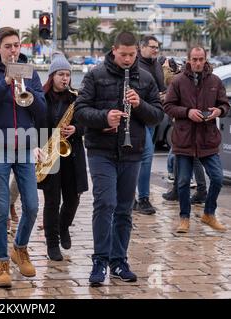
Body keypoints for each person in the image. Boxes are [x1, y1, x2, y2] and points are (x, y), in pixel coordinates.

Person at [74, 32, 163, 287]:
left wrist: (139, 105)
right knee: (105, 203)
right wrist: (104, 117)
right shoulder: (95, 74)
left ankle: (119, 260)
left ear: (136, 51)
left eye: (131, 55)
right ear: (114, 50)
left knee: (124, 209)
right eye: (122, 54)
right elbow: (80, 110)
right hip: (101, 150)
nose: (127, 59)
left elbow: (157, 114)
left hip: (132, 151)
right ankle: (100, 260)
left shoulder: (145, 78)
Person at [0, 27, 46, 288]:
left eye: (17, 45)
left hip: (26, 148)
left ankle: (20, 247)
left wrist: (25, 89)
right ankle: (2, 261)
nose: (14, 50)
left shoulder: (31, 73)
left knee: (31, 205)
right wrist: (5, 82)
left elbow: (42, 111)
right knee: (0, 208)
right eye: (8, 46)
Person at [163, 46, 230, 233]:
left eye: (201, 59)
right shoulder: (178, 81)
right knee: (183, 182)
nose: (198, 63)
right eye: (195, 59)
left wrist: (220, 111)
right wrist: (187, 112)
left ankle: (209, 213)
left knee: (217, 179)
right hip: (184, 139)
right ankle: (184, 218)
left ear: (205, 58)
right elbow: (168, 106)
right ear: (189, 59)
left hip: (208, 139)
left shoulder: (215, 81)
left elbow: (225, 104)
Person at [38, 53, 88, 261]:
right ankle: (52, 244)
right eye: (60, 74)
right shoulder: (41, 98)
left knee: (72, 200)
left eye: (67, 74)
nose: (65, 78)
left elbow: (87, 122)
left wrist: (76, 128)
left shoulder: (77, 99)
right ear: (52, 76)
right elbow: (34, 125)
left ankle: (63, 226)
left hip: (71, 155)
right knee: (51, 201)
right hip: (49, 154)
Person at [133, 36, 166, 215]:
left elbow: (162, 87)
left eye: (157, 47)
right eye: (152, 47)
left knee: (143, 157)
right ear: (142, 47)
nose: (155, 50)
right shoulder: (136, 66)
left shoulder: (156, 65)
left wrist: (164, 95)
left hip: (153, 116)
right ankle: (143, 198)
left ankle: (133, 197)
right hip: (138, 118)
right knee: (145, 156)